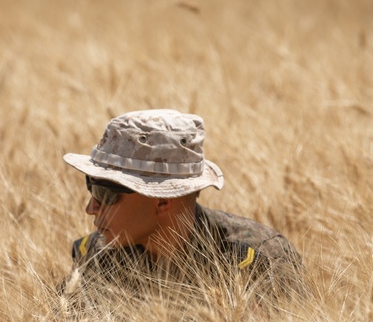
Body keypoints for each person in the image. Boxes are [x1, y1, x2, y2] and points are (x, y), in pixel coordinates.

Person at [59, 109, 307, 307]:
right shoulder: (94, 255)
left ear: (163, 201)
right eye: (90, 187)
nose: (91, 207)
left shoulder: (256, 261)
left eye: (106, 193)